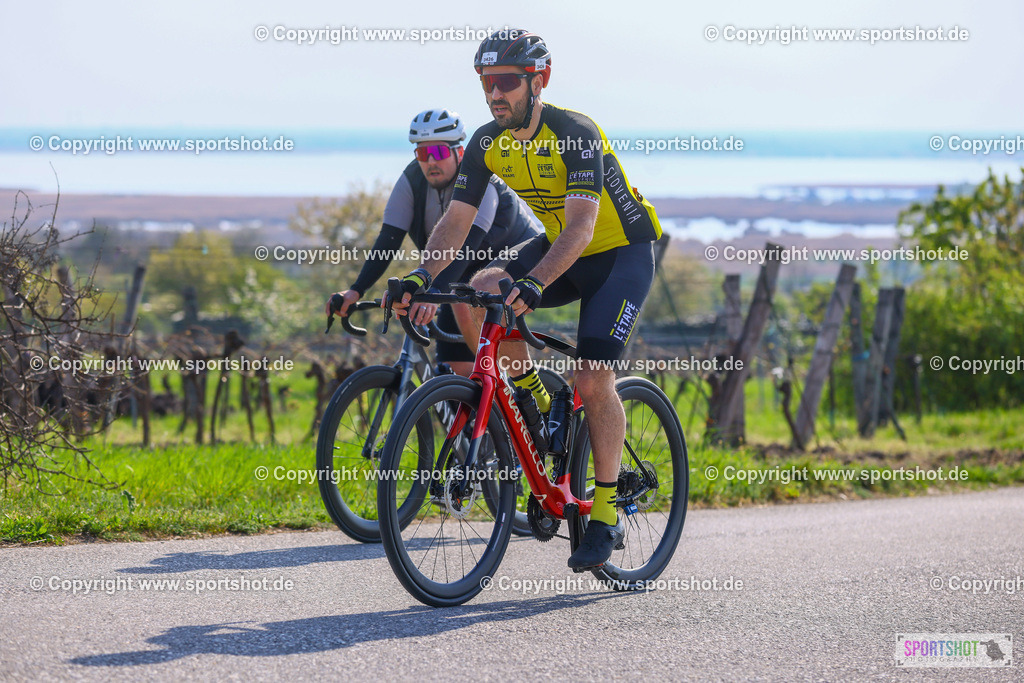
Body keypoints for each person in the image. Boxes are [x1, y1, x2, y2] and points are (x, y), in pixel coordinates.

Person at [388, 29, 664, 569]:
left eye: (507, 82)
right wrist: (420, 276)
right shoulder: (490, 141)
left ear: (540, 81)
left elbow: (583, 227)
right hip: (561, 245)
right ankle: (531, 393)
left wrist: (534, 284)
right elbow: (455, 222)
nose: (495, 94)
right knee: (476, 291)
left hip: (618, 255)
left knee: (592, 376)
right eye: (487, 82)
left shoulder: (576, 133)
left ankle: (605, 513)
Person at [328, 108, 541, 375]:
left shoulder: (482, 179)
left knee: (462, 300)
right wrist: (356, 290)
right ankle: (478, 403)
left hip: (517, 263)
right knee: (455, 369)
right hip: (459, 275)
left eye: (438, 153)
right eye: (422, 154)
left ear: (459, 152)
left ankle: (509, 387)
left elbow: (466, 247)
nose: (430, 162)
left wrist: (435, 291)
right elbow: (389, 239)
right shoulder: (412, 179)